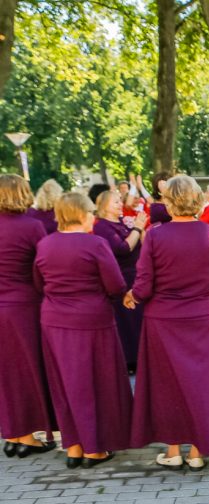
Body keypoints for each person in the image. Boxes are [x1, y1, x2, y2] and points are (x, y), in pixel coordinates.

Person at [125, 175, 209, 470]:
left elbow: (145, 285)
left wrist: (132, 296)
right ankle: (198, 451)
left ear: (169, 201)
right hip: (201, 318)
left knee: (167, 385)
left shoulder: (156, 235)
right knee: (202, 383)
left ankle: (173, 450)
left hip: (163, 319)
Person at [34, 192, 133, 469]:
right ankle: (94, 449)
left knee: (65, 384)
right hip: (91, 319)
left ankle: (74, 447)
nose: (93, 217)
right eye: (90, 212)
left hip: (54, 320)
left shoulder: (45, 244)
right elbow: (114, 284)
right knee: (95, 383)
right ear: (80, 214)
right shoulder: (95, 244)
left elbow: (38, 282)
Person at [0, 174, 56, 458]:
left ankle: (11, 432)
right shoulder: (32, 226)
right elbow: (43, 266)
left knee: (5, 373)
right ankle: (27, 436)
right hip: (23, 305)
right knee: (28, 370)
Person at [93, 189, 148, 372]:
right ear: (104, 206)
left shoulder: (122, 223)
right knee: (127, 319)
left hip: (136, 274)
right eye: (115, 202)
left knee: (138, 318)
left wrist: (138, 229)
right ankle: (130, 359)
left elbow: (140, 244)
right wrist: (137, 227)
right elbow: (123, 248)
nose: (120, 204)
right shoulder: (102, 226)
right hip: (121, 276)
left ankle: (141, 356)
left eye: (119, 201)